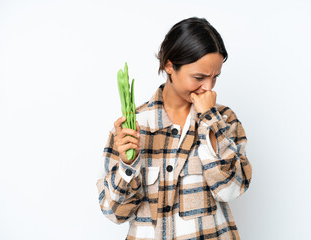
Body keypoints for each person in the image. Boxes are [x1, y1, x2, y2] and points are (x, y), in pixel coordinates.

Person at [96, 17, 252, 240]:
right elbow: (114, 213)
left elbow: (230, 190)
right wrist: (127, 165)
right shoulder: (133, 126)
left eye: (215, 77)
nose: (208, 87)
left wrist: (209, 120)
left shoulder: (225, 120)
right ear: (169, 66)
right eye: (199, 77)